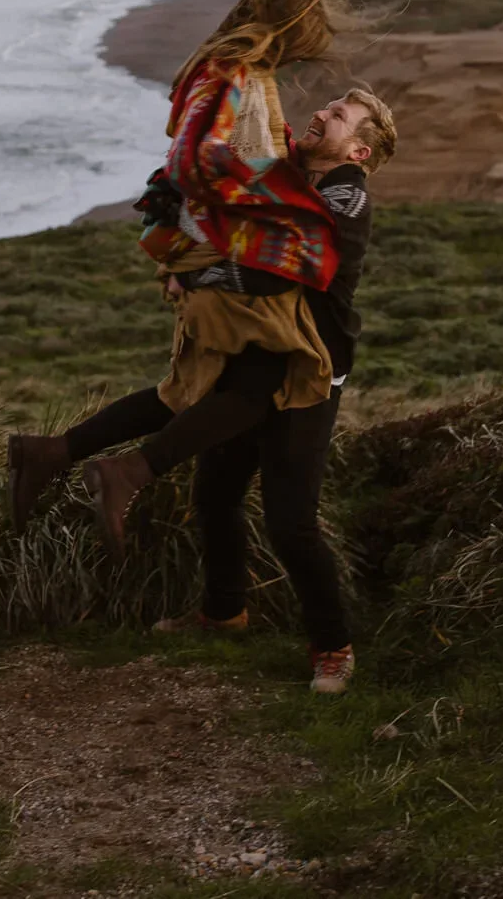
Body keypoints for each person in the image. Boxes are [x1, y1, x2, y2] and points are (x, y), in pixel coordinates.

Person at [5, 0, 345, 547]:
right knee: (270, 379)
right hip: (224, 256)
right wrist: (274, 201)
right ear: (294, 27)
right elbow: (193, 161)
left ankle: (52, 454)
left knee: (197, 388)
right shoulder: (229, 73)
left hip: (220, 254)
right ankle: (120, 473)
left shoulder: (244, 71)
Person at [155, 87, 393, 696]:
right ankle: (223, 614)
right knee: (216, 492)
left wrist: (196, 271)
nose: (323, 112)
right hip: (259, 358)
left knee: (291, 521)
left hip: (310, 370)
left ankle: (334, 648)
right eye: (330, 104)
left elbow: (285, 263)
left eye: (339, 116)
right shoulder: (289, 169)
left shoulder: (346, 194)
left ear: (359, 148)